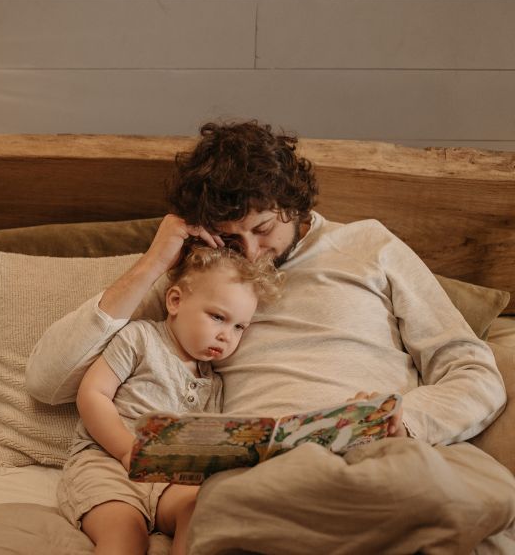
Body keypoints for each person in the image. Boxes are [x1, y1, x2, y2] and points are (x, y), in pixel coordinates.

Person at [26, 120, 511, 551]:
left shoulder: (370, 244)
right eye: (233, 238)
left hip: (382, 446)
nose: (252, 254)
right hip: (263, 470)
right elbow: (48, 381)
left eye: (261, 229)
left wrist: (408, 421)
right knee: (241, 504)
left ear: (294, 203)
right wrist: (155, 261)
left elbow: (471, 369)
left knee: (464, 490)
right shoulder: (203, 277)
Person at [57, 245, 282, 555]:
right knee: (126, 536)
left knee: (201, 511)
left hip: (170, 479)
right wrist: (126, 450)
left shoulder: (213, 382)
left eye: (239, 326)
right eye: (218, 317)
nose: (226, 335)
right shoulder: (140, 339)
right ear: (175, 301)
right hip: (107, 463)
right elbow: (93, 394)